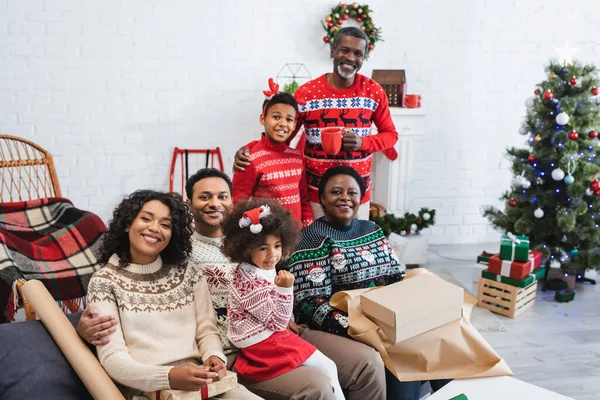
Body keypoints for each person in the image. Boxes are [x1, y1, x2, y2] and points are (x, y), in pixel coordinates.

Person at [78, 168, 386, 400]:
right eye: (204, 196)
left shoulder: (254, 236)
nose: (215, 203)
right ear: (190, 204)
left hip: (280, 327)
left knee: (368, 362)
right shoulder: (182, 255)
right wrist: (82, 329)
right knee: (317, 385)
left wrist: (286, 308)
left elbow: (279, 275)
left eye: (222, 195)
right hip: (240, 344)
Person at [287, 166, 450, 400]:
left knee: (434, 335)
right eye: (336, 192)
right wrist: (365, 328)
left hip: (387, 317)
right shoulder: (312, 238)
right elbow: (310, 305)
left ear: (360, 198)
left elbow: (396, 275)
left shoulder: (371, 228)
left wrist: (409, 311)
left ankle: (453, 393)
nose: (345, 197)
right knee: (398, 350)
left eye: (352, 193)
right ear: (322, 198)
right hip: (343, 326)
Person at [85, 190, 259, 399]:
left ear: (172, 234)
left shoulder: (189, 272)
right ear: (127, 224)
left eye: (165, 225)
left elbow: (207, 330)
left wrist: (215, 356)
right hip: (147, 388)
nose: (154, 228)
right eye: (146, 219)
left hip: (202, 379)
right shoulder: (104, 282)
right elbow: (113, 360)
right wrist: (168, 376)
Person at [234, 27, 398, 221]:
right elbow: (281, 137)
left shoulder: (374, 91)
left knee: (352, 249)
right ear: (333, 51)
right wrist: (250, 150)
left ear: (363, 58)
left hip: (355, 194)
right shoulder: (307, 94)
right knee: (317, 248)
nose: (350, 58)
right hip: (315, 195)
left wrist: (363, 143)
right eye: (345, 50)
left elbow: (390, 135)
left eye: (358, 54)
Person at [221, 199, 345, 400]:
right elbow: (278, 322)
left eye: (277, 245)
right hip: (264, 343)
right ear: (245, 248)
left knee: (327, 368)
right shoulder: (249, 282)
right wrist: (285, 290)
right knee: (327, 367)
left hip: (267, 336)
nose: (272, 255)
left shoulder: (258, 269)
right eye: (263, 248)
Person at [232, 80, 313, 227]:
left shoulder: (297, 157)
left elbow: (304, 198)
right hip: (267, 237)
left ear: (294, 124)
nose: (283, 123)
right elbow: (238, 204)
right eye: (276, 117)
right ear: (263, 119)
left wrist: (309, 225)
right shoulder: (250, 159)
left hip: (297, 235)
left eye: (289, 119)